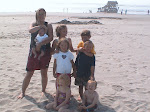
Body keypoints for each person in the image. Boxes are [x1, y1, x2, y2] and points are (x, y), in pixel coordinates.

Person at [18, 8, 53, 99]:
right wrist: (39, 27)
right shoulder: (34, 24)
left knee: (44, 72)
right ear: (37, 15)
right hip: (33, 52)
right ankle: (23, 92)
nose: (41, 16)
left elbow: (50, 37)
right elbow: (30, 30)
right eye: (39, 14)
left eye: (43, 14)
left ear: (45, 15)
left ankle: (43, 90)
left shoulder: (48, 25)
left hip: (45, 51)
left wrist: (41, 43)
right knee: (29, 72)